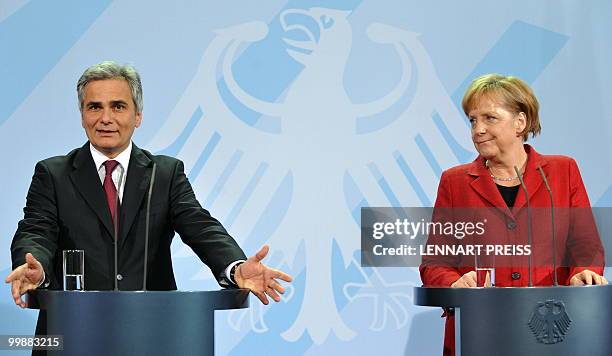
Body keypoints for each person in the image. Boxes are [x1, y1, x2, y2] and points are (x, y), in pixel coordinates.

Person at [5, 61, 292, 311]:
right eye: (95, 107)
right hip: (72, 327)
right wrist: (36, 269)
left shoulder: (164, 174)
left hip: (151, 328)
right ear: (83, 115)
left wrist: (236, 267)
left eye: (118, 106)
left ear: (137, 115)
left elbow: (201, 227)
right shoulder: (53, 174)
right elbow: (36, 231)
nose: (106, 118)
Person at [419, 73, 606, 356]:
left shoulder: (562, 171)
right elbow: (435, 261)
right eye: (472, 120)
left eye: (489, 118)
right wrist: (454, 282)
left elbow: (586, 247)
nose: (477, 129)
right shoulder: (454, 182)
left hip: (552, 333)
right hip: (479, 330)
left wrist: (584, 274)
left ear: (521, 122)